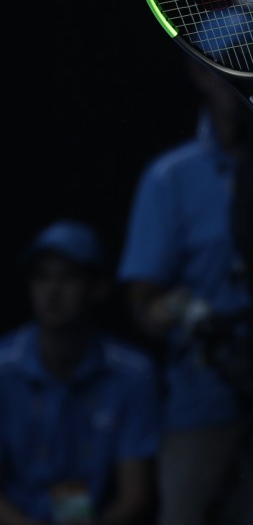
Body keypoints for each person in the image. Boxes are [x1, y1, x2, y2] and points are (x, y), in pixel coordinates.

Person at [116, 50, 253, 525]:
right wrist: (183, 312)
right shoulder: (170, 178)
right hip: (203, 400)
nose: (241, 79)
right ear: (200, 74)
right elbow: (142, 306)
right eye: (226, 66)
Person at [0, 220, 160, 525]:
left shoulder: (132, 373)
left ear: (96, 287)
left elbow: (135, 494)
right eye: (42, 277)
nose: (52, 291)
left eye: (68, 277)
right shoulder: (3, 368)